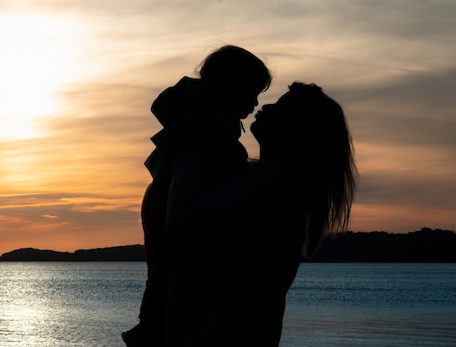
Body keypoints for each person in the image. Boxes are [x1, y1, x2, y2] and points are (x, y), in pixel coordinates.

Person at [164, 82, 357, 346]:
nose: (265, 106)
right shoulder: (269, 182)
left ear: (297, 128)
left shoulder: (277, 184)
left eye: (280, 106)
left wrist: (191, 145)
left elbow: (180, 216)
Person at [122, 46, 272, 347]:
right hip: (167, 200)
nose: (256, 103)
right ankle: (151, 327)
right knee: (165, 268)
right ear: (232, 84)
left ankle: (151, 324)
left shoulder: (201, 107)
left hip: (160, 198)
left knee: (161, 266)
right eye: (252, 92)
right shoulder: (214, 113)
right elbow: (217, 160)